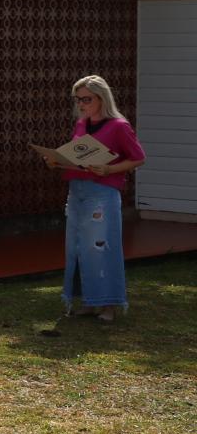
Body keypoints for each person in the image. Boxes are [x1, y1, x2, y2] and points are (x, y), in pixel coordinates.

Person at [48, 75, 146, 323]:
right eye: (78, 99)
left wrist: (110, 169)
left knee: (101, 247)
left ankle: (108, 305)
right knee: (78, 247)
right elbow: (77, 156)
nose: (81, 104)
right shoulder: (81, 124)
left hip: (102, 193)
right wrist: (58, 161)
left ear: (102, 98)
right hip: (77, 191)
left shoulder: (119, 126)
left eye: (87, 99)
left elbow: (138, 158)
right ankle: (88, 302)